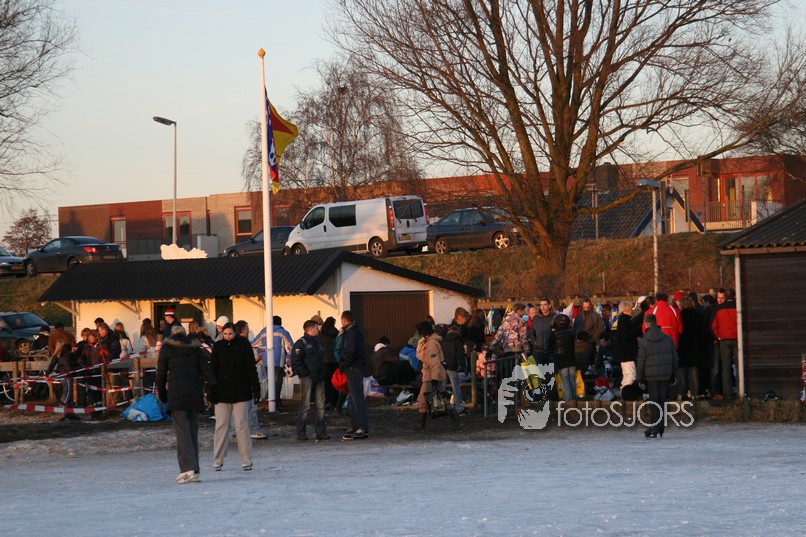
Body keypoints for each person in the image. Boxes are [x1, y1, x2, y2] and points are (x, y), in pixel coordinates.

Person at [156, 325, 217, 484]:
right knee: (192, 433)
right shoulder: (195, 348)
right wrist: (213, 387)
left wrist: (162, 395)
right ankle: (194, 470)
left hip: (177, 395)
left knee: (183, 434)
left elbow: (161, 373)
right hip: (195, 394)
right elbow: (206, 369)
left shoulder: (167, 348)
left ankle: (187, 469)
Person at [210, 322, 260, 472]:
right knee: (221, 426)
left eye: (230, 334)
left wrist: (255, 387)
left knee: (241, 425)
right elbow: (213, 369)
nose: (227, 337)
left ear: (235, 333)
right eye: (225, 334)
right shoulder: (218, 346)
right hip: (221, 392)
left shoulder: (244, 345)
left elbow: (250, 368)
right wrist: (211, 389)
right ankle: (218, 459)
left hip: (241, 392)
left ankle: (246, 459)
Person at [413, 321, 461, 431]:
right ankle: (457, 421)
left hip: (431, 376)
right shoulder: (430, 342)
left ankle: (421, 425)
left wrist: (434, 379)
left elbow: (434, 363)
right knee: (441, 399)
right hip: (432, 375)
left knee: (422, 399)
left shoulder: (430, 344)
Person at [636, 313, 678, 439]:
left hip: (651, 375)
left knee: (654, 401)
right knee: (662, 400)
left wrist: (639, 377)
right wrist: (674, 373)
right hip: (665, 374)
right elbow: (674, 358)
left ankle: (655, 426)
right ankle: (661, 427)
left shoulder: (644, 341)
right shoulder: (667, 338)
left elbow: (641, 361)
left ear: (647, 324)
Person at [291, 320, 328, 441]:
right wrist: (305, 374)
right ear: (311, 329)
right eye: (317, 328)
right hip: (308, 378)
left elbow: (321, 359)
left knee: (320, 405)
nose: (318, 330)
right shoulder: (301, 343)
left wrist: (322, 372)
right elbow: (296, 360)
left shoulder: (318, 342)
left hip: (319, 377)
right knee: (305, 405)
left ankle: (321, 432)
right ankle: (301, 433)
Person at [339, 310, 369, 440]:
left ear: (344, 320)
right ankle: (356, 426)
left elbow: (349, 351)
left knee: (356, 398)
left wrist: (344, 365)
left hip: (353, 368)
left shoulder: (350, 333)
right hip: (356, 367)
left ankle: (361, 427)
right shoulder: (355, 331)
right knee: (353, 398)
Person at [677, 295, 708, 400]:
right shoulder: (698, 315)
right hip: (695, 346)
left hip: (682, 345)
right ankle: (694, 393)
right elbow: (702, 331)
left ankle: (681, 393)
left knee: (682, 371)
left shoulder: (680, 315)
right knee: (694, 371)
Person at [711, 288, 738, 400]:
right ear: (734, 296)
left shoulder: (719, 308)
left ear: (725, 297)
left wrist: (719, 336)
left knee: (725, 367)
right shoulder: (738, 307)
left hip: (724, 340)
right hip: (737, 339)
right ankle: (739, 390)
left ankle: (727, 392)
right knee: (739, 366)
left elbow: (713, 326)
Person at [614, 300, 641, 392]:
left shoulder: (622, 320)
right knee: (631, 375)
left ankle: (623, 391)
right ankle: (626, 393)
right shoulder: (625, 321)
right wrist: (636, 331)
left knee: (627, 374)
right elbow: (626, 335)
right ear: (627, 309)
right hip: (627, 353)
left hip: (624, 353)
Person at [549, 314, 575, 402]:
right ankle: (573, 398)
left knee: (565, 380)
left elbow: (549, 345)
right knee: (572, 379)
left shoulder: (554, 334)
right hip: (571, 358)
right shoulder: (571, 333)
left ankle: (568, 399)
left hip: (560, 359)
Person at [440, 323, 466, 414]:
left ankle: (441, 406)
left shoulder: (443, 340)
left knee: (442, 387)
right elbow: (460, 355)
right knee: (456, 387)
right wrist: (463, 366)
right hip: (452, 366)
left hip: (442, 366)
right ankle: (459, 407)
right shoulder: (457, 341)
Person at [272, 316, 294, 413]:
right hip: (278, 361)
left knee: (270, 382)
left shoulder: (264, 331)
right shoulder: (283, 332)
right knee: (277, 383)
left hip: (266, 361)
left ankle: (269, 401)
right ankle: (275, 403)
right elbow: (291, 345)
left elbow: (254, 342)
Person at [320, 316, 340, 410]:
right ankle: (336, 401)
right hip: (335, 361)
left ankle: (328, 401)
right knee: (336, 381)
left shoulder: (321, 334)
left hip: (325, 362)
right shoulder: (337, 334)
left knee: (327, 383)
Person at [527, 298, 556, 365]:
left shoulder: (555, 317)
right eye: (541, 305)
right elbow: (532, 331)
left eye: (545, 305)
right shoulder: (536, 318)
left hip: (551, 351)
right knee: (539, 371)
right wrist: (534, 342)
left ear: (549, 306)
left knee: (550, 371)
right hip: (538, 351)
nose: (542, 307)